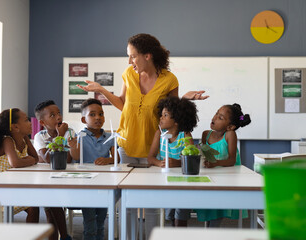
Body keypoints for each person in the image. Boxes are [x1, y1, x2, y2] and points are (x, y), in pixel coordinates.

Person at [78, 33, 208, 239]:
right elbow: (122, 103)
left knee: (151, 205)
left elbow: (173, 114)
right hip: (127, 145)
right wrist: (101, 89)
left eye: (133, 56)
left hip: (152, 149)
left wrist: (184, 98)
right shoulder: (129, 74)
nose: (130, 61)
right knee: (127, 204)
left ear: (148, 56)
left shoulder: (169, 79)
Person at [195, 103, 251, 227]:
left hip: (225, 180)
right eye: (216, 113)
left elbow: (231, 160)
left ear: (230, 126)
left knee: (218, 210)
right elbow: (205, 153)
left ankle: (212, 233)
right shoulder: (206, 134)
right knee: (208, 208)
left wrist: (216, 163)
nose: (215, 118)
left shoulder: (230, 135)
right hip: (209, 178)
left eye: (220, 118)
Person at [148, 96, 198, 227]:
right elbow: (150, 157)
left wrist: (176, 162)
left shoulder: (185, 135)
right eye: (161, 114)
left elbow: (191, 159)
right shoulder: (159, 134)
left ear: (177, 120)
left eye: (165, 115)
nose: (161, 118)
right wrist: (159, 163)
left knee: (181, 214)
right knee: (170, 214)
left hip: (183, 183)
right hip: (166, 181)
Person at [72, 98, 116, 240]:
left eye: (101, 114)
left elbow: (117, 159)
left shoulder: (110, 136)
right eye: (92, 114)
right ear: (83, 119)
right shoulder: (79, 137)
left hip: (104, 183)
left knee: (101, 218)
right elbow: (76, 157)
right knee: (90, 219)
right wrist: (72, 145)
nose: (98, 117)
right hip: (86, 184)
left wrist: (108, 159)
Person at [34, 100, 74, 240]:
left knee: (52, 204)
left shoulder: (69, 133)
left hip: (66, 177)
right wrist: (59, 137)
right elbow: (47, 159)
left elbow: (67, 160)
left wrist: (61, 136)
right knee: (51, 206)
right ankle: (63, 236)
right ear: (43, 122)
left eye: (58, 113)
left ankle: (63, 236)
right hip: (45, 179)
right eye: (52, 115)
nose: (58, 117)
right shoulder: (40, 136)